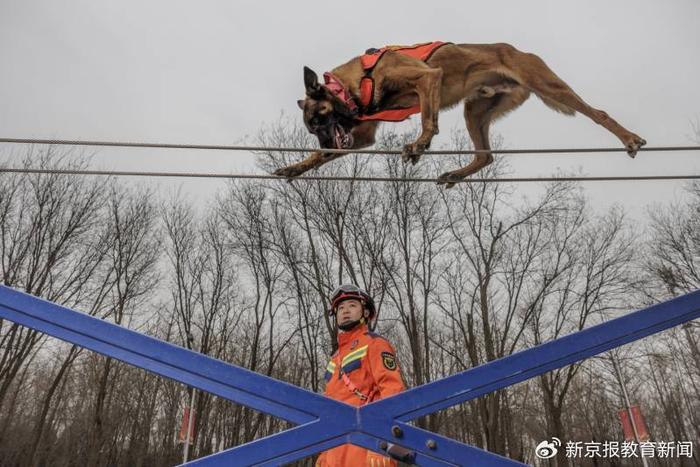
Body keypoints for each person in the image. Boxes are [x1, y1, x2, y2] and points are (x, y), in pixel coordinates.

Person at [316, 284, 405, 467]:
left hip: (365, 446)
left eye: (352, 305)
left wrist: (382, 443)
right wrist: (324, 455)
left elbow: (392, 391)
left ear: (365, 312)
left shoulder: (375, 344)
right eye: (340, 308)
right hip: (335, 449)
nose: (345, 311)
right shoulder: (334, 359)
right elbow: (328, 408)